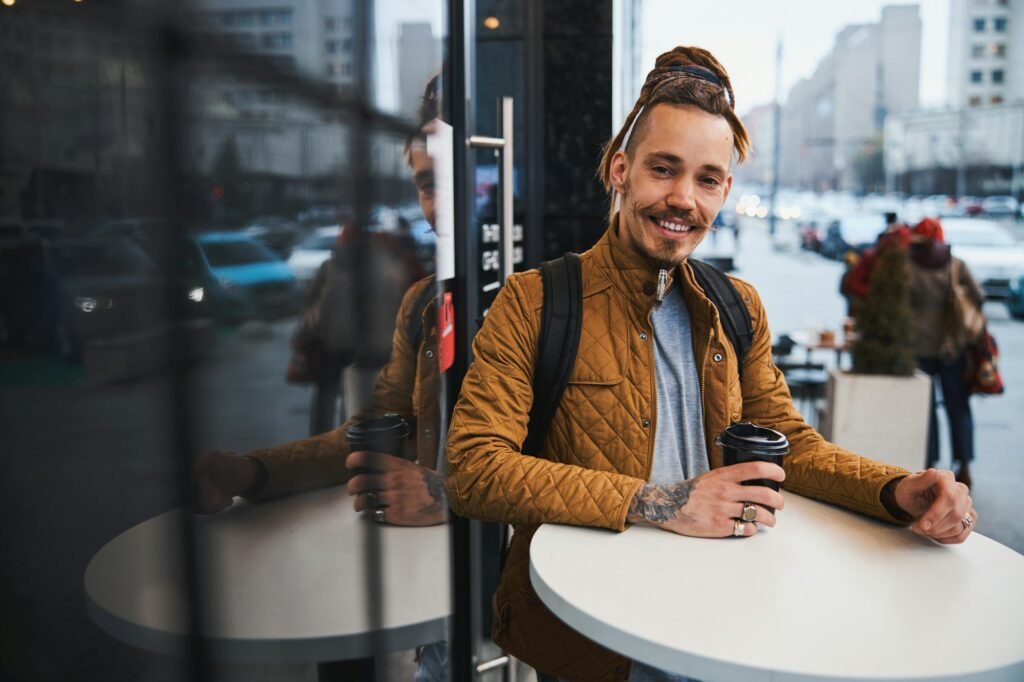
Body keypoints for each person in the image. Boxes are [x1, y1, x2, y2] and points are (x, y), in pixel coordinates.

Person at [444, 46, 976, 682]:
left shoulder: (735, 304)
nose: (682, 199)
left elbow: (792, 447)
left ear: (725, 188)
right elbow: (474, 469)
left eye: (706, 178)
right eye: (663, 169)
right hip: (592, 635)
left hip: (725, 617)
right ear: (620, 170)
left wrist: (894, 489)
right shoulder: (535, 301)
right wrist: (663, 503)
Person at [908, 217, 984, 487]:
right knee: (958, 408)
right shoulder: (956, 265)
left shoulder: (909, 265)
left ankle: (930, 466)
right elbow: (978, 297)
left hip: (918, 347)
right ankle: (963, 466)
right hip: (953, 348)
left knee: (925, 410)